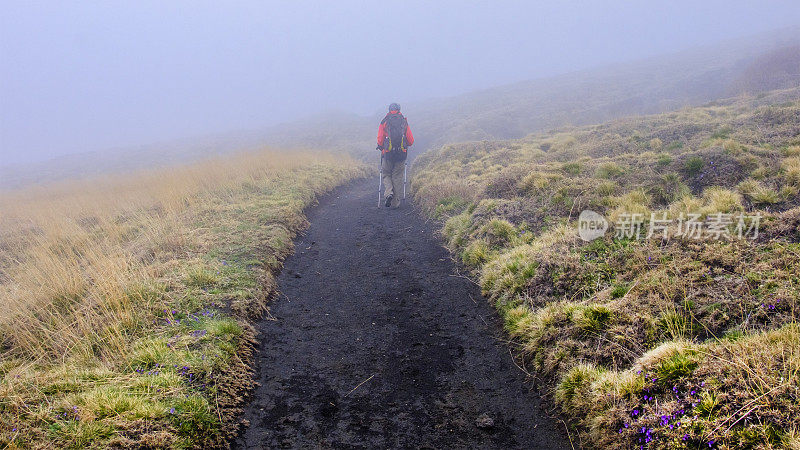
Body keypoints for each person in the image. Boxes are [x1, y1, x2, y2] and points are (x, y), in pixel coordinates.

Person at [376, 103, 414, 207]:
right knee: (397, 176)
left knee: (386, 174)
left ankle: (389, 193)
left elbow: (380, 140)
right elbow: (411, 141)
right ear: (399, 109)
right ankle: (395, 203)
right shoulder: (403, 121)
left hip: (387, 154)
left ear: (389, 110)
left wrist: (381, 146)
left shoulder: (384, 121)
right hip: (401, 154)